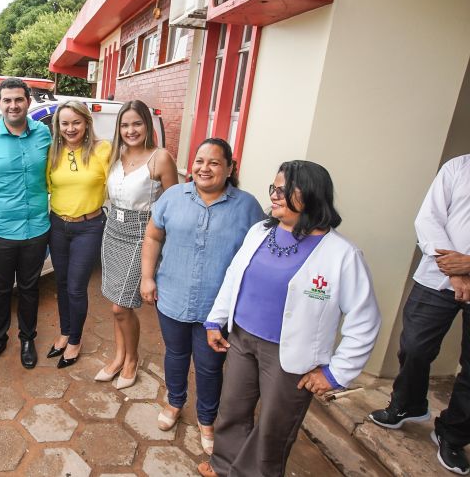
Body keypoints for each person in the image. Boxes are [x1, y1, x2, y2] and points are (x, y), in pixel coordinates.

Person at [198, 160, 381, 477]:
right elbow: (234, 277)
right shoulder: (261, 231)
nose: (274, 194)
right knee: (232, 411)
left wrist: (336, 373)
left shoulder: (341, 254)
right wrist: (216, 320)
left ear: (310, 193)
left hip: (289, 357)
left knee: (273, 428)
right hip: (241, 340)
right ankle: (224, 466)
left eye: (284, 189)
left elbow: (365, 321)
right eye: (274, 188)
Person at [140, 138, 264, 454]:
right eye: (199, 161)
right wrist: (147, 277)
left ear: (230, 168)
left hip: (218, 309)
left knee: (210, 365)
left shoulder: (247, 206)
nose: (204, 168)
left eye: (213, 162)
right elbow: (153, 236)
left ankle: (207, 418)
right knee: (176, 354)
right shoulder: (172, 197)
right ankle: (174, 402)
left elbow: (258, 257)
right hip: (172, 297)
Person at [369, 154, 470, 475]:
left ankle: (453, 434)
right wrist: (455, 272)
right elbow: (428, 219)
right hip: (437, 278)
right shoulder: (459, 167)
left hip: (457, 270)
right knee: (413, 347)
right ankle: (409, 404)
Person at [0, 78, 51, 370]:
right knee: (1, 289)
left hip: (37, 228)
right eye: (7, 100)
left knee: (29, 288)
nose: (13, 105)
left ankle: (27, 339)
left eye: (19, 99)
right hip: (0, 229)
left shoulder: (44, 135)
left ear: (28, 101)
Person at [96, 100, 177, 389]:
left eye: (137, 123)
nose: (131, 130)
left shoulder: (160, 158)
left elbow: (174, 204)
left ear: (148, 125)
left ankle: (132, 360)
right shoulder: (114, 154)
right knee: (116, 303)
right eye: (125, 124)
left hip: (141, 234)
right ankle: (119, 356)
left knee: (122, 305)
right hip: (112, 230)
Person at [45, 101, 111, 368]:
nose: (70, 128)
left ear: (86, 124)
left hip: (89, 226)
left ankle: (75, 340)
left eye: (76, 122)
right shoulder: (52, 152)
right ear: (57, 126)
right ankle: (63, 332)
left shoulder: (103, 150)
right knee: (61, 284)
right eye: (65, 123)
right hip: (58, 225)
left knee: (75, 287)